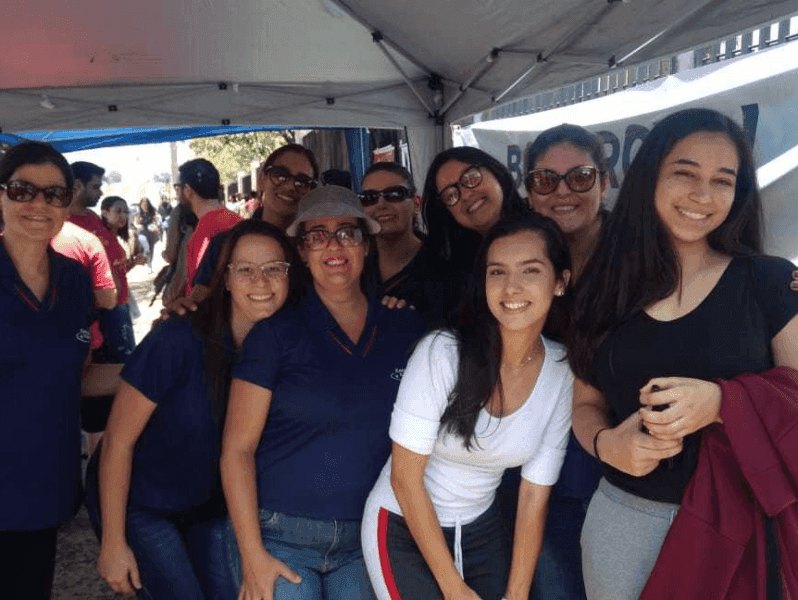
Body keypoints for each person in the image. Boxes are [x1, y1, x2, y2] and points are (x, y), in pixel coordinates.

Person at [568, 108, 798, 600]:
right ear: (651, 176)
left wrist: (722, 402)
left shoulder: (770, 281)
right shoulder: (603, 288)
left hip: (739, 537)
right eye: (685, 173)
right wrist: (608, 445)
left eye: (723, 180)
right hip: (622, 527)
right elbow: (585, 404)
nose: (702, 195)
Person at [221, 185, 426, 600]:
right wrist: (252, 553)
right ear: (302, 251)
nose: (334, 245)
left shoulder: (405, 330)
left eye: (348, 233)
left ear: (366, 244)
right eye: (317, 235)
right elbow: (237, 450)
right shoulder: (275, 335)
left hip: (368, 537)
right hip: (278, 536)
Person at [362, 215, 573, 600]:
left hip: (481, 531)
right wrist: (453, 588)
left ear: (560, 282)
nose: (511, 286)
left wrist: (517, 594)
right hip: (402, 524)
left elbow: (533, 496)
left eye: (530, 270)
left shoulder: (561, 371)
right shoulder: (442, 353)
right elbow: (405, 479)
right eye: (497, 272)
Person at [87, 219, 297, 600]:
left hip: (210, 509)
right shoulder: (179, 338)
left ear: (289, 276)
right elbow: (117, 441)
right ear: (226, 279)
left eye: (274, 268)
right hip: (144, 503)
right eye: (245, 270)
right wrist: (114, 543)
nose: (261, 281)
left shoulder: (289, 347)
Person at [0, 142, 121, 600]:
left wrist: (163, 365)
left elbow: (76, 376)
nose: (39, 204)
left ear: (68, 201)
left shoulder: (73, 280)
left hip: (44, 486)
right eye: (22, 190)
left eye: (55, 193)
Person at [521, 123, 610, 600]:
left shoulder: (647, 256)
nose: (562, 192)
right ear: (529, 192)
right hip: (541, 478)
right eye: (545, 180)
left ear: (605, 182)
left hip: (630, 477)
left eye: (580, 176)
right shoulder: (520, 256)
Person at [422, 146, 530, 326]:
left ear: (495, 171)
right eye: (450, 195)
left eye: (471, 178)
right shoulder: (452, 275)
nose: (465, 195)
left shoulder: (545, 234)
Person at [359, 162, 446, 323]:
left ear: (416, 204)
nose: (381, 204)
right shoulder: (354, 266)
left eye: (394, 194)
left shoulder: (446, 267)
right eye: (369, 198)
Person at [176, 158, 243, 295]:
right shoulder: (238, 220)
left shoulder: (205, 231)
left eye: (178, 187)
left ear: (187, 190)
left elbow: (200, 290)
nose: (177, 193)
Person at [135, 196, 161, 272]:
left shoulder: (152, 212)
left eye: (146, 204)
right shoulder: (138, 213)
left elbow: (156, 221)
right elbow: (136, 223)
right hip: (142, 232)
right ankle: (144, 258)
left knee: (151, 248)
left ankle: (150, 265)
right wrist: (138, 224)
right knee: (146, 247)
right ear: (140, 205)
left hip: (151, 233)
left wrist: (155, 226)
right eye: (143, 205)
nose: (145, 206)